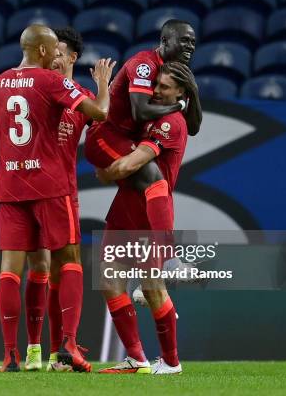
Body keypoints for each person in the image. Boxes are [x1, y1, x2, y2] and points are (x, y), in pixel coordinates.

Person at [0, 24, 115, 372]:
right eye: (52, 49)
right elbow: (101, 113)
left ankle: (11, 354)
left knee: (10, 270)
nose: (55, 55)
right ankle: (68, 345)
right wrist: (104, 85)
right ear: (43, 51)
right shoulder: (52, 82)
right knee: (68, 259)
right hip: (51, 186)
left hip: (10, 186)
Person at [96, 63, 194, 375]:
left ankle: (171, 362)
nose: (156, 91)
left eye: (164, 87)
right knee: (111, 281)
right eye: (155, 85)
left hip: (151, 211)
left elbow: (129, 165)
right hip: (125, 207)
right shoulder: (147, 117)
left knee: (152, 287)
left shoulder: (172, 122)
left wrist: (109, 169)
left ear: (180, 91)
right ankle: (136, 360)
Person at [21, 26, 96, 372]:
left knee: (57, 269)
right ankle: (48, 347)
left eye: (60, 51)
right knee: (46, 266)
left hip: (63, 189)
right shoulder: (33, 88)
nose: (53, 57)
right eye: (50, 51)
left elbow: (103, 131)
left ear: (73, 58)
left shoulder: (81, 98)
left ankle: (58, 352)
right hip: (35, 190)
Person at [84, 19, 201, 196]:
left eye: (193, 42)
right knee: (155, 182)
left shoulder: (177, 72)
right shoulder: (144, 64)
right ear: (165, 41)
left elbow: (192, 128)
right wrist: (180, 105)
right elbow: (140, 112)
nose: (190, 47)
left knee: (137, 196)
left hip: (131, 139)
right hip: (107, 134)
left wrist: (194, 91)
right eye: (185, 40)